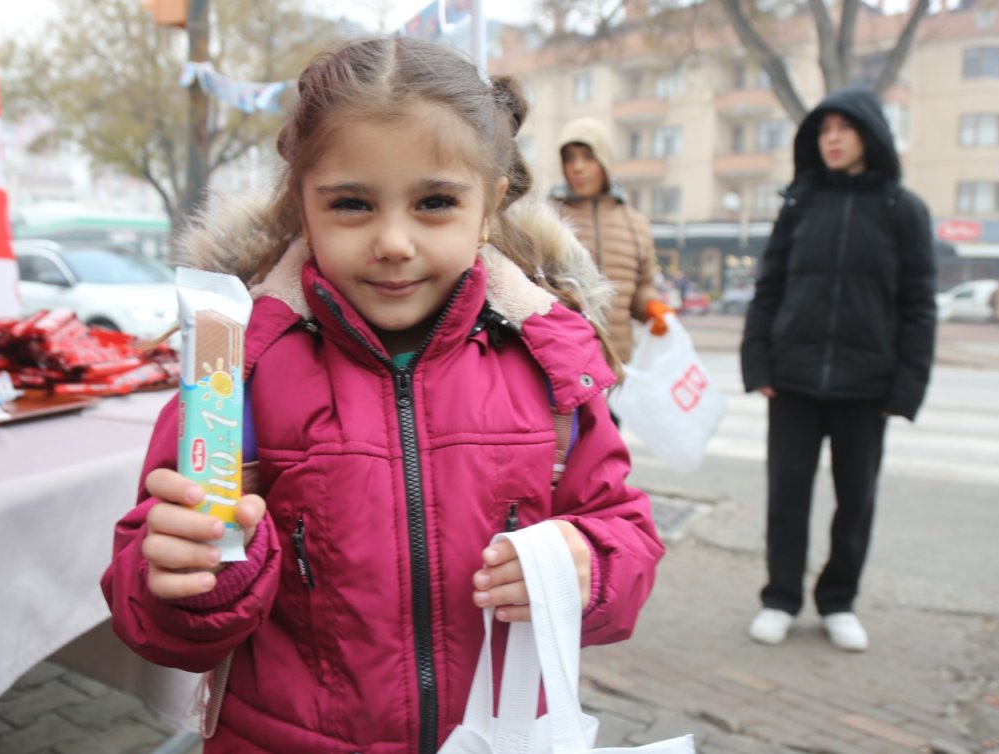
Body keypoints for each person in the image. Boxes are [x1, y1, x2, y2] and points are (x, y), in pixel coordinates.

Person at [101, 37, 666, 753]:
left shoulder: (550, 366)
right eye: (351, 204)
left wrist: (591, 565)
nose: (394, 241)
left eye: (435, 202)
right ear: (302, 205)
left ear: (489, 207)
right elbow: (154, 617)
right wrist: (195, 581)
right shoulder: (232, 371)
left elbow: (623, 528)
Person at [739, 86, 936, 652]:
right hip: (793, 379)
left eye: (843, 129)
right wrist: (758, 363)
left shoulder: (903, 210)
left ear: (869, 135)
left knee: (856, 500)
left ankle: (839, 601)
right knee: (787, 497)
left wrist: (906, 388)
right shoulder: (800, 204)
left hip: (866, 386)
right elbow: (769, 288)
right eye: (824, 130)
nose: (832, 139)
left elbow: (919, 305)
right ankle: (780, 598)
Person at [550, 117, 670, 366]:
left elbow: (642, 287)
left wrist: (652, 306)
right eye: (569, 158)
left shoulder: (635, 224)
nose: (577, 167)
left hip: (619, 364)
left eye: (588, 157)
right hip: (564, 365)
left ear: (604, 160)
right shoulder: (547, 218)